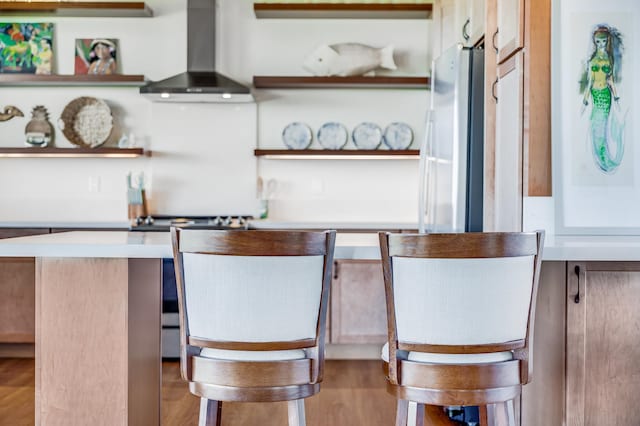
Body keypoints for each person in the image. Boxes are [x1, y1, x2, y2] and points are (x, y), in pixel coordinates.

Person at [580, 24, 625, 173]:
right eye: (598, 42)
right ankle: (601, 158)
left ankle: (605, 158)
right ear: (595, 42)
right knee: (595, 123)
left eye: (603, 41)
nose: (601, 45)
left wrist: (617, 98)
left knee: (602, 124)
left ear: (607, 41)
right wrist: (585, 102)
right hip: (595, 94)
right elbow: (590, 83)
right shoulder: (592, 60)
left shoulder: (609, 60)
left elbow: (610, 80)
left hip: (606, 95)